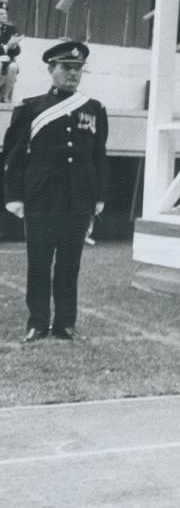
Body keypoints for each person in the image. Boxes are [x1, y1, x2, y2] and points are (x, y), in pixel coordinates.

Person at [3, 41, 108, 342]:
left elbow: (98, 154)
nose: (72, 74)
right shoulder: (30, 108)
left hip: (79, 198)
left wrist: (99, 196)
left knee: (69, 264)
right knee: (38, 262)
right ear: (51, 69)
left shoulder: (94, 109)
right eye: (66, 68)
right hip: (41, 197)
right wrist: (13, 196)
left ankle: (65, 323)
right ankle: (37, 322)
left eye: (77, 69)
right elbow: (13, 155)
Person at [0, 0, 21, 104]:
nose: (5, 16)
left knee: (13, 66)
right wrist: (6, 47)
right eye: (1, 14)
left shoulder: (10, 29)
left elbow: (17, 52)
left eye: (5, 14)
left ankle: (5, 96)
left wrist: (14, 46)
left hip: (6, 60)